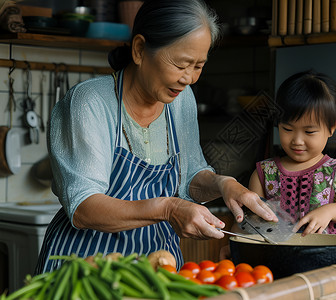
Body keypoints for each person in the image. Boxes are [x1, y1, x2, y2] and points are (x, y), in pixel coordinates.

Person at [35, 0, 277, 274]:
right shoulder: (89, 102)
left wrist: (224, 184)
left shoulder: (181, 99)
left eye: (198, 66)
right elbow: (84, 207)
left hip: (157, 265)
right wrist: (168, 208)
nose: (189, 78)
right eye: (182, 64)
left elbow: (189, 180)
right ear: (139, 49)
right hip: (85, 266)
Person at [248, 70, 336, 236]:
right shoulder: (263, 173)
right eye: (287, 129)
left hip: (330, 260)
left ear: (332, 128)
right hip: (276, 260)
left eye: (309, 131)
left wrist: (329, 211)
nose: (297, 140)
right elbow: (251, 222)